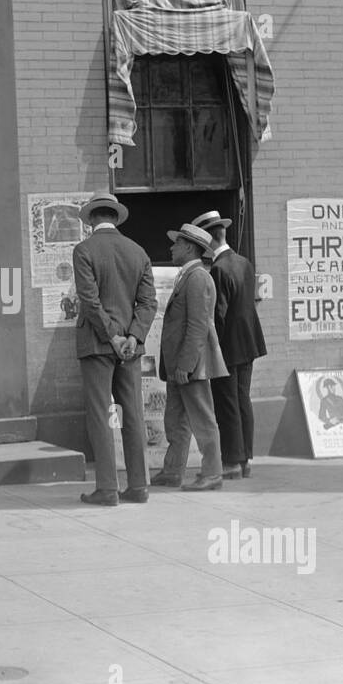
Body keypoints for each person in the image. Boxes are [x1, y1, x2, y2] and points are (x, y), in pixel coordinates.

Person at [71, 192, 158, 506]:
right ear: (115, 217)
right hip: (130, 348)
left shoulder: (84, 250)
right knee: (132, 414)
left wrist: (112, 337)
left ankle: (107, 487)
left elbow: (90, 301)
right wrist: (132, 337)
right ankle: (138, 485)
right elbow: (148, 303)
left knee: (99, 415)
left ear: (92, 218)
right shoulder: (138, 252)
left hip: (98, 344)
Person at [193, 210, 267, 479]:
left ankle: (232, 462)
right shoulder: (243, 262)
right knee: (242, 399)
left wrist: (209, 349)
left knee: (227, 402)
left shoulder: (218, 270)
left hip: (227, 347)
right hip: (249, 343)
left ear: (209, 240)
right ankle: (246, 459)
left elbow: (218, 315)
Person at [158, 222, 228, 491]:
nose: (172, 248)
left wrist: (185, 365)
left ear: (188, 247)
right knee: (175, 420)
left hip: (190, 365)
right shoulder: (190, 275)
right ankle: (173, 470)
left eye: (177, 243)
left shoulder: (198, 277)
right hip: (180, 364)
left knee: (202, 419)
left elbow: (198, 325)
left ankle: (212, 473)